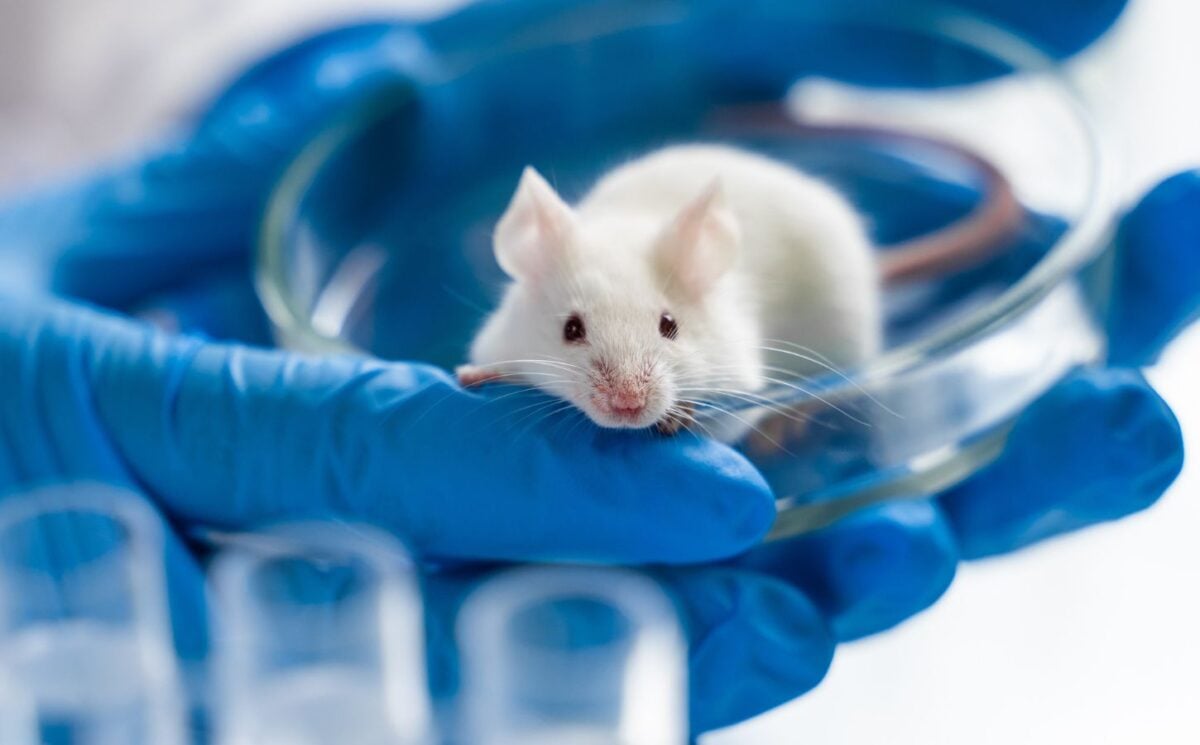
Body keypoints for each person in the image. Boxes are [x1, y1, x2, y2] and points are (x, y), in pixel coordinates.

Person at [0, 0, 1193, 736]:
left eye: (657, 350)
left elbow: (720, 362)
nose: (628, 388)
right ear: (525, 267)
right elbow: (488, 362)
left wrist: (786, 409)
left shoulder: (712, 300)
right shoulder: (546, 285)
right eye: (578, 344)